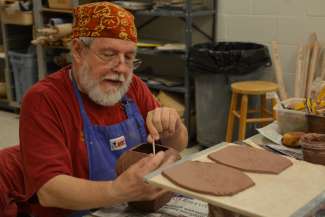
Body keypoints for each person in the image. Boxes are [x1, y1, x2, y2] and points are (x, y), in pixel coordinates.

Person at [16, 2, 188, 217]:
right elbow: (49, 191)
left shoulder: (133, 87)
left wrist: (174, 129)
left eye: (129, 57)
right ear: (78, 51)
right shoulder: (44, 100)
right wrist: (117, 191)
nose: (121, 69)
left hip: (130, 208)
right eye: (108, 54)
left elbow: (177, 146)